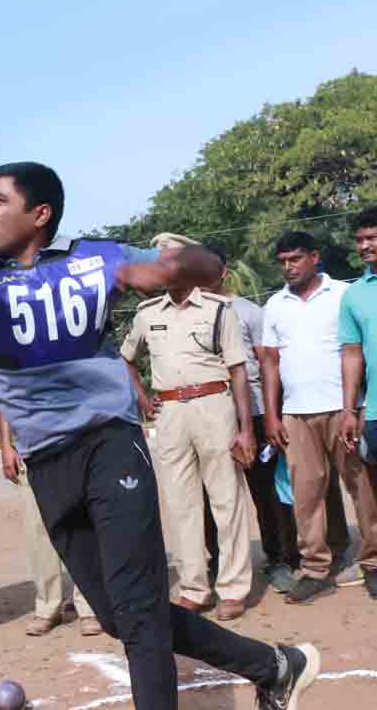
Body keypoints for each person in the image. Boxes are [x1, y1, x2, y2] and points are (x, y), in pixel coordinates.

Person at [0, 98, 318, 709]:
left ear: (40, 213)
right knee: (123, 614)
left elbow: (188, 267)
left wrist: (189, 266)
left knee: (137, 606)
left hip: (109, 442)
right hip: (47, 462)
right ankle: (273, 665)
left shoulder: (95, 258)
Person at [121, 242, 258, 621]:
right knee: (181, 504)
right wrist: (143, 398)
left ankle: (233, 588)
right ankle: (194, 588)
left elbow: (238, 372)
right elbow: (126, 358)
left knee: (226, 501)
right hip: (169, 414)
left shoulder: (218, 310)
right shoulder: (147, 313)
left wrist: (246, 429)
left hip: (214, 406)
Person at [262, 230, 377, 605]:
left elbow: (357, 349)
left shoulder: (343, 295)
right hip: (296, 415)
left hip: (343, 410)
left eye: (296, 259)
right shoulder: (275, 305)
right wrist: (273, 415)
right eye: (283, 261)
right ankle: (316, 569)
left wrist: (356, 407)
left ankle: (375, 565)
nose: (288, 267)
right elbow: (270, 363)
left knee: (363, 491)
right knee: (306, 496)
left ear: (315, 257)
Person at [202, 248, 307, 595]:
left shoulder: (248, 311)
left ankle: (279, 558)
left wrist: (273, 415)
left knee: (267, 492)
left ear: (223, 271)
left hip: (257, 414)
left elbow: (266, 364)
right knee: (212, 496)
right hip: (211, 415)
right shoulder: (191, 314)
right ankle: (218, 563)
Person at [0, 392, 100, 638]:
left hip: (75, 441)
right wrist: (7, 445)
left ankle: (89, 606)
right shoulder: (18, 354)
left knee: (81, 523)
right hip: (32, 447)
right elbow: (5, 396)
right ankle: (48, 606)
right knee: (38, 530)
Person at [339, 205, 377, 609]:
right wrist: (348, 407)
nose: (364, 245)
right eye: (359, 239)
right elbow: (352, 353)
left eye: (372, 237)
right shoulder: (353, 295)